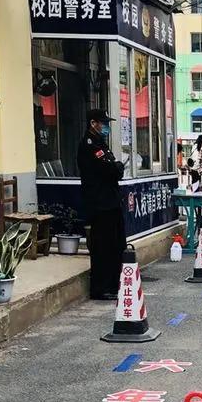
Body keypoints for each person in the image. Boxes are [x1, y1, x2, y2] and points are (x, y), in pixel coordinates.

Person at [77, 109, 125, 300]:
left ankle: (114, 285)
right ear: (93, 123)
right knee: (102, 247)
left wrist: (116, 168)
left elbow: (114, 169)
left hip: (111, 202)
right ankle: (100, 288)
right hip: (100, 204)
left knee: (116, 245)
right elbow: (109, 170)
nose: (105, 127)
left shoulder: (101, 143)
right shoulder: (89, 145)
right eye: (102, 123)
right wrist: (116, 167)